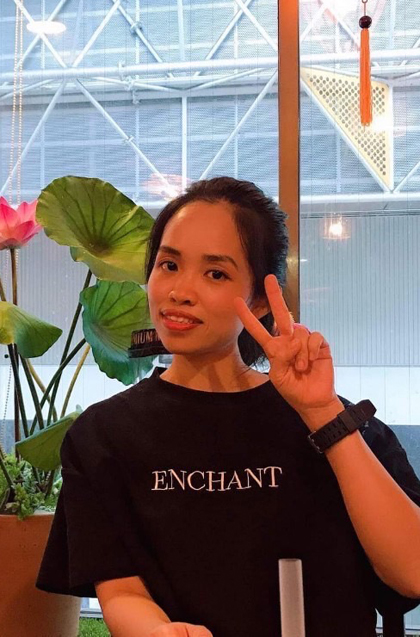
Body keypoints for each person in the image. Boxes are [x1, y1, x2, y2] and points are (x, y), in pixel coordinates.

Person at [36, 177, 420, 637]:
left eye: (215, 273)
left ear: (258, 299)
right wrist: (156, 630)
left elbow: (412, 572)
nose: (180, 291)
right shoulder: (103, 435)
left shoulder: (331, 418)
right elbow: (120, 589)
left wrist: (322, 413)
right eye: (168, 265)